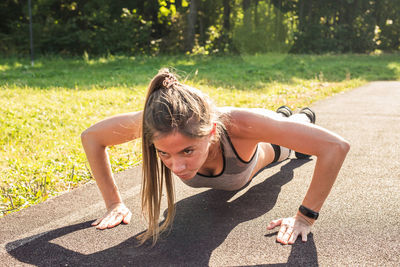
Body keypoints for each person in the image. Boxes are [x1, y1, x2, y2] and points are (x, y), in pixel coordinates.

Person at [81, 68, 350, 246]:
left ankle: (297, 116)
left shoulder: (240, 125)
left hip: (257, 151)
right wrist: (114, 203)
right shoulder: (154, 123)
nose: (177, 166)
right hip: (247, 137)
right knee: (275, 130)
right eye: (164, 153)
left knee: (282, 149)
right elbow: (91, 137)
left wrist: (305, 217)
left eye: (187, 151)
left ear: (210, 132)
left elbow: (335, 147)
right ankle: (282, 120)